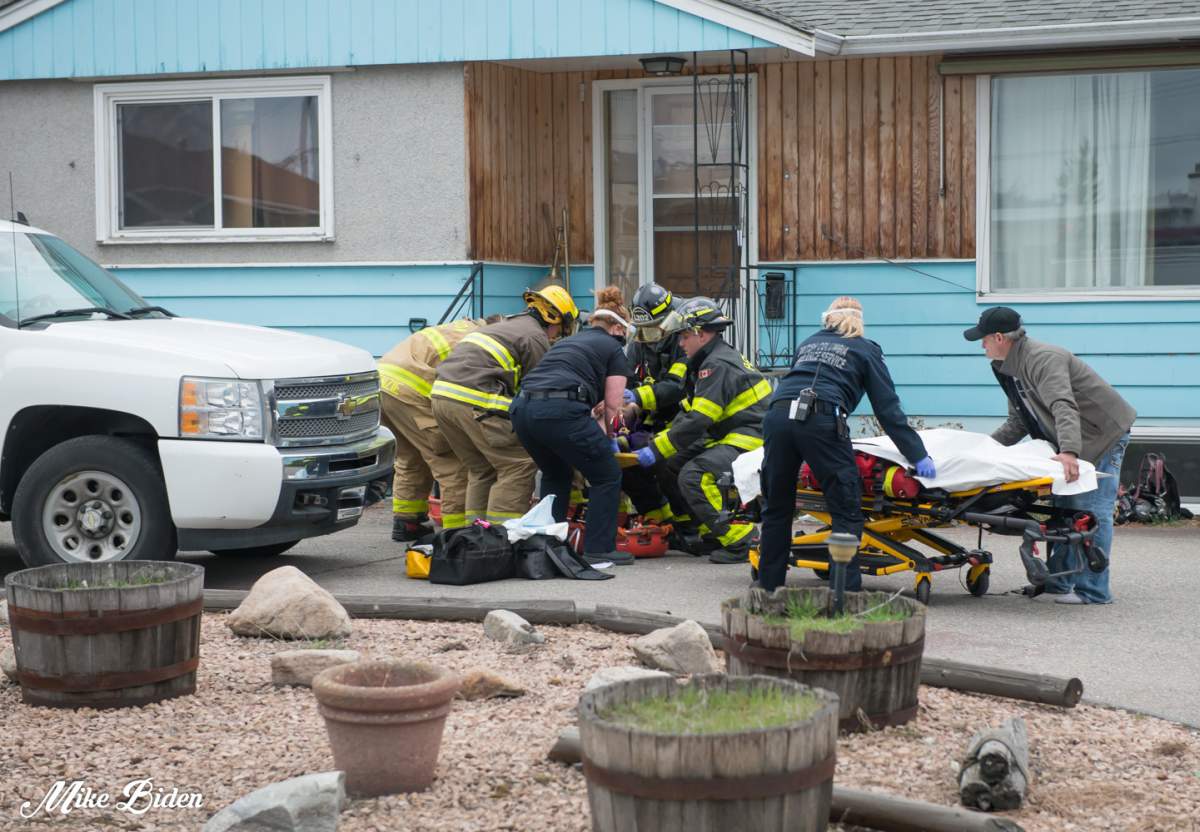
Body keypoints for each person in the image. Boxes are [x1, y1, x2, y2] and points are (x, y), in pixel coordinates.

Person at [757, 297, 935, 593]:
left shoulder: (808, 344)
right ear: (860, 321)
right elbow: (887, 409)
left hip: (777, 417)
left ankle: (767, 589)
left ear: (827, 318)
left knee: (777, 508)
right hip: (821, 420)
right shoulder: (866, 349)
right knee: (845, 511)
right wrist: (917, 453)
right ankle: (844, 593)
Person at [965, 306, 1135, 605]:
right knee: (1066, 511)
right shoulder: (1007, 367)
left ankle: (1093, 591)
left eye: (984, 339)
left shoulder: (1044, 358)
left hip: (1102, 434)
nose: (982, 345)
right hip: (1072, 438)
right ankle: (1060, 583)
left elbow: (1063, 405)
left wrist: (1068, 452)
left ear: (1000, 337)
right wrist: (985, 452)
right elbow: (1019, 420)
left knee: (1091, 512)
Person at [633, 297, 771, 564]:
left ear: (702, 334)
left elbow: (699, 420)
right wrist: (655, 442)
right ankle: (704, 530)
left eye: (685, 337)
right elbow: (690, 413)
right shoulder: (709, 360)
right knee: (670, 464)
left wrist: (655, 449)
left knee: (694, 475)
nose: (681, 344)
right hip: (728, 433)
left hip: (751, 438)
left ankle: (741, 540)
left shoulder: (716, 365)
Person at [431, 285, 578, 524]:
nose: (556, 336)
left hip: (442, 399)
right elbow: (540, 392)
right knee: (518, 465)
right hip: (475, 402)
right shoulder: (534, 337)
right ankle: (503, 538)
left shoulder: (502, 327)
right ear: (553, 319)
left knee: (482, 469)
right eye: (559, 330)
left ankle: (475, 538)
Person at [511, 286, 634, 566]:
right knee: (606, 474)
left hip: (523, 411)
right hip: (560, 411)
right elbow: (613, 406)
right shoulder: (613, 348)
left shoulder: (570, 342)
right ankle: (599, 550)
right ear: (617, 327)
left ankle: (550, 545)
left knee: (556, 473)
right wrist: (608, 441)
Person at [377, 315, 500, 541]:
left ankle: (407, 521)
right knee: (451, 462)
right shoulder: (483, 340)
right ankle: (455, 533)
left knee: (411, 457)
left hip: (382, 388)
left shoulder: (458, 328)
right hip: (412, 392)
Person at [622, 283, 690, 523]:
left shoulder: (684, 338)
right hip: (651, 419)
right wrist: (624, 406)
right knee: (623, 462)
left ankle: (687, 524)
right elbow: (627, 376)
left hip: (683, 418)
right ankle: (656, 519)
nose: (647, 335)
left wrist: (638, 399)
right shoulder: (640, 338)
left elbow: (676, 387)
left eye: (653, 328)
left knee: (669, 465)